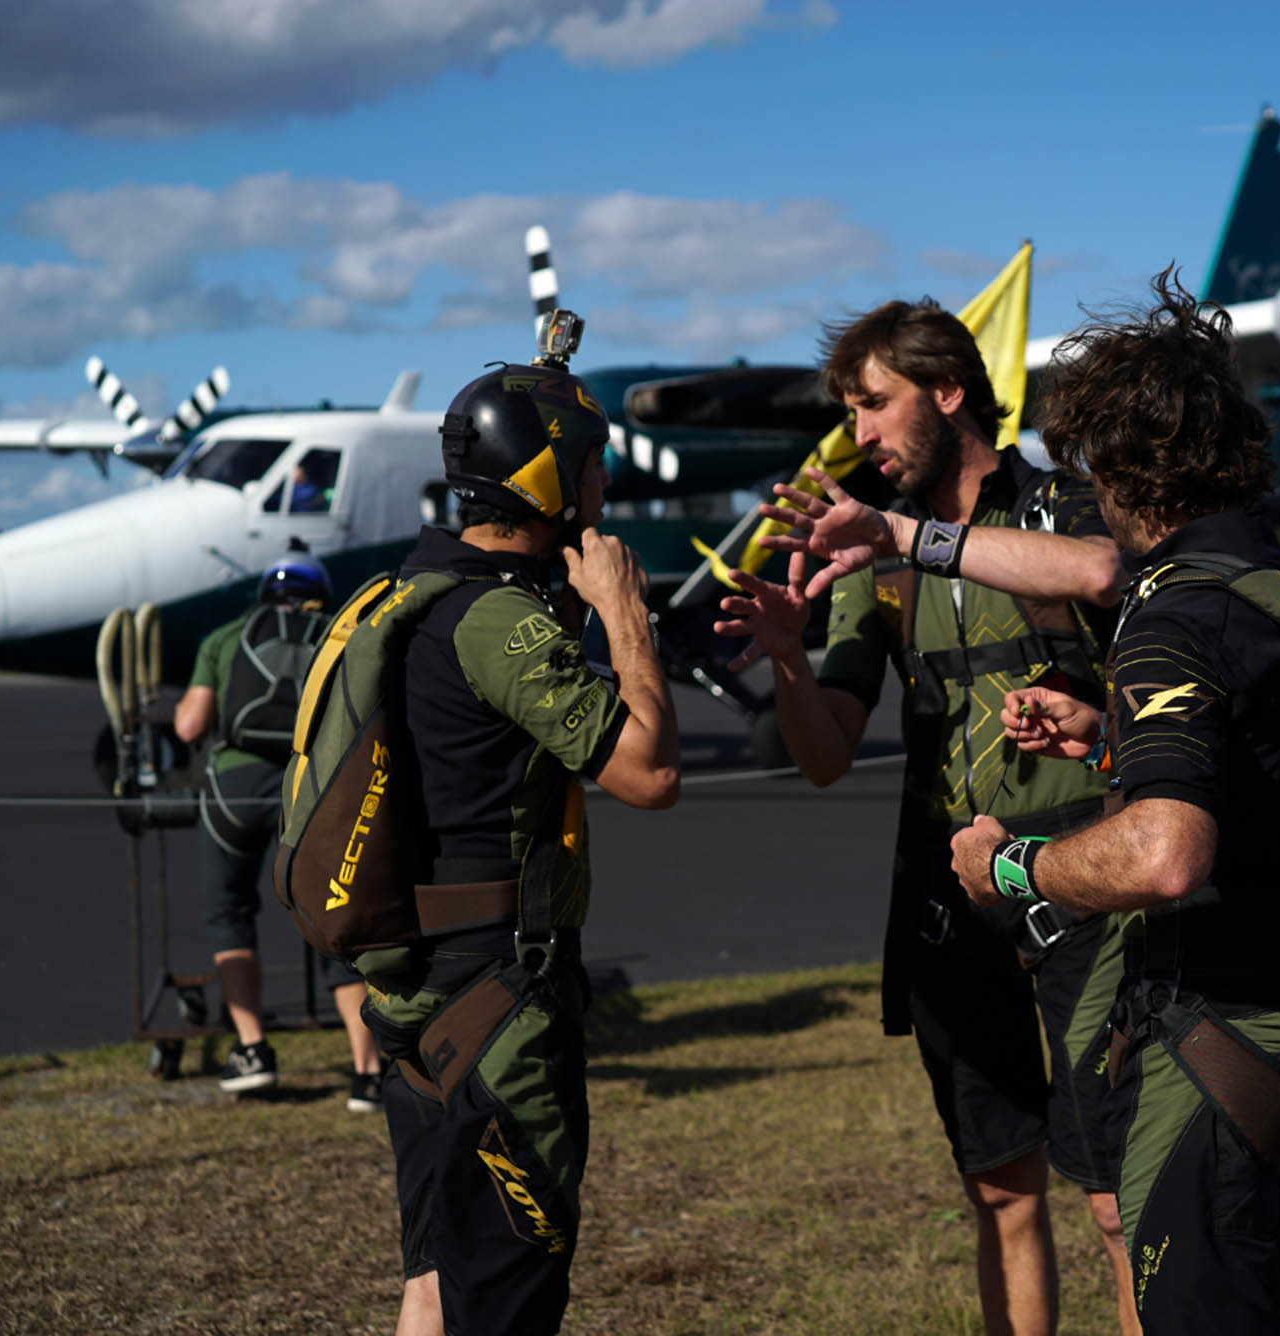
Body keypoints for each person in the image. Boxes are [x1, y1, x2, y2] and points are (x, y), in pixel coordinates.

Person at [949, 269, 1280, 1336]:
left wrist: (1012, 869)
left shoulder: (1172, 612)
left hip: (1222, 1026)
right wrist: (1109, 736)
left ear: (1118, 470)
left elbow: (1167, 854)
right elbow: (1269, 768)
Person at [716, 298, 1139, 1336]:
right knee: (999, 1189)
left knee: (1117, 1200)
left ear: (947, 393)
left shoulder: (1061, 507)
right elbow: (823, 755)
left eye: (872, 405)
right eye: (850, 411)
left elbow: (1106, 577)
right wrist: (785, 654)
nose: (856, 434)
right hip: (951, 912)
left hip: (1083, 894)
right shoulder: (871, 556)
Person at [363, 363, 679, 1336]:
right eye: (589, 465)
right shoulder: (496, 620)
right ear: (546, 477)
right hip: (496, 1002)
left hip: (413, 996)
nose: (603, 487)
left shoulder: (409, 591)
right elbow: (648, 770)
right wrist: (623, 607)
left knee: (435, 1279)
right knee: (506, 1293)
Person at [174, 554, 384, 1107]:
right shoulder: (339, 635)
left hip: (234, 795)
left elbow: (191, 723)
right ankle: (367, 1071)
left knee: (229, 913)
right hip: (312, 791)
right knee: (329, 914)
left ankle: (252, 1050)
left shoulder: (226, 637)